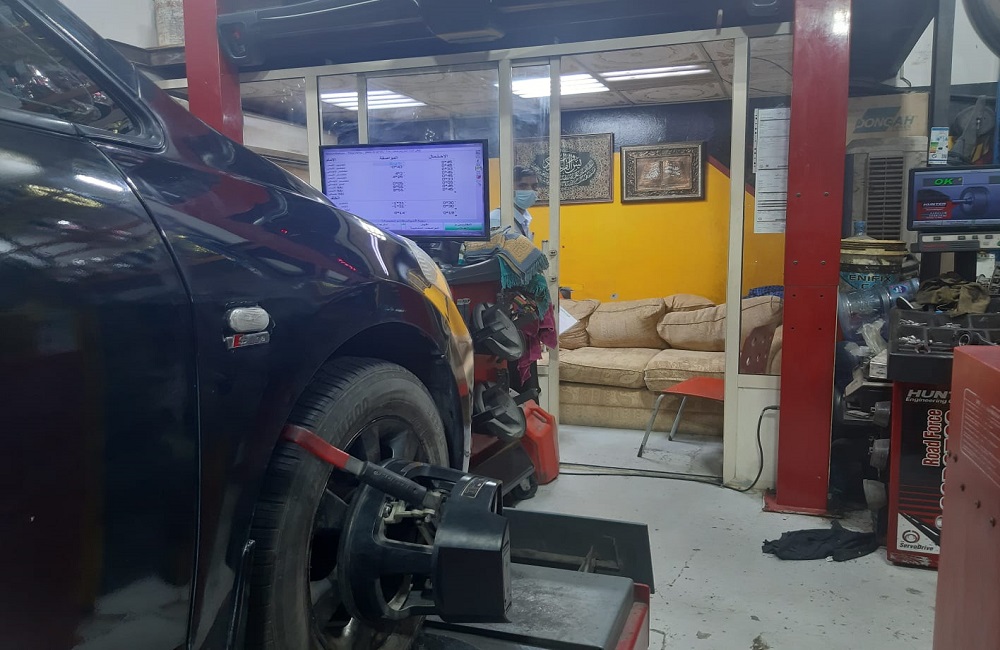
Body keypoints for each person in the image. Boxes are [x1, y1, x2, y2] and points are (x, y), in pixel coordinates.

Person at [489, 166, 539, 240]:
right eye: (523, 186)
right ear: (508, 188)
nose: (530, 190)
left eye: (534, 186)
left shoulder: (524, 219)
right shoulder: (496, 220)